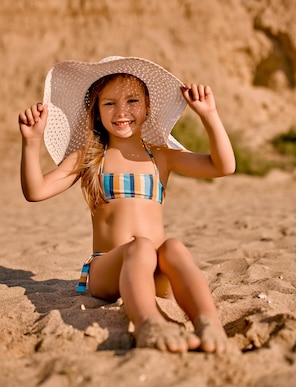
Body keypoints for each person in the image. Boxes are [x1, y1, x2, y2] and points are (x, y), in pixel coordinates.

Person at [18, 56, 235, 353]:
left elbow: (223, 166)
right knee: (140, 246)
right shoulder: (90, 157)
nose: (122, 111)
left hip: (155, 272)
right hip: (107, 270)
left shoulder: (161, 156)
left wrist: (209, 115)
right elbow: (36, 190)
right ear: (95, 111)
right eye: (109, 104)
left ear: (147, 106)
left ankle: (208, 323)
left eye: (132, 100)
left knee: (173, 247)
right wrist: (31, 143)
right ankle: (149, 324)